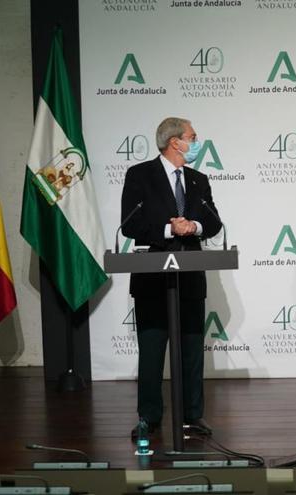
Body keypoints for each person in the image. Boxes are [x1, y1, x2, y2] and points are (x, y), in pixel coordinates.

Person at [121, 117, 222, 439]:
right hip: (152, 278)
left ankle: (193, 415)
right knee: (151, 352)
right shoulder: (139, 175)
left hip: (190, 276)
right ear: (175, 141)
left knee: (192, 350)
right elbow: (130, 224)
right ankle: (148, 417)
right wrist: (169, 229)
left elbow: (214, 221)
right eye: (193, 137)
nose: (196, 141)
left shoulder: (198, 179)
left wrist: (194, 227)